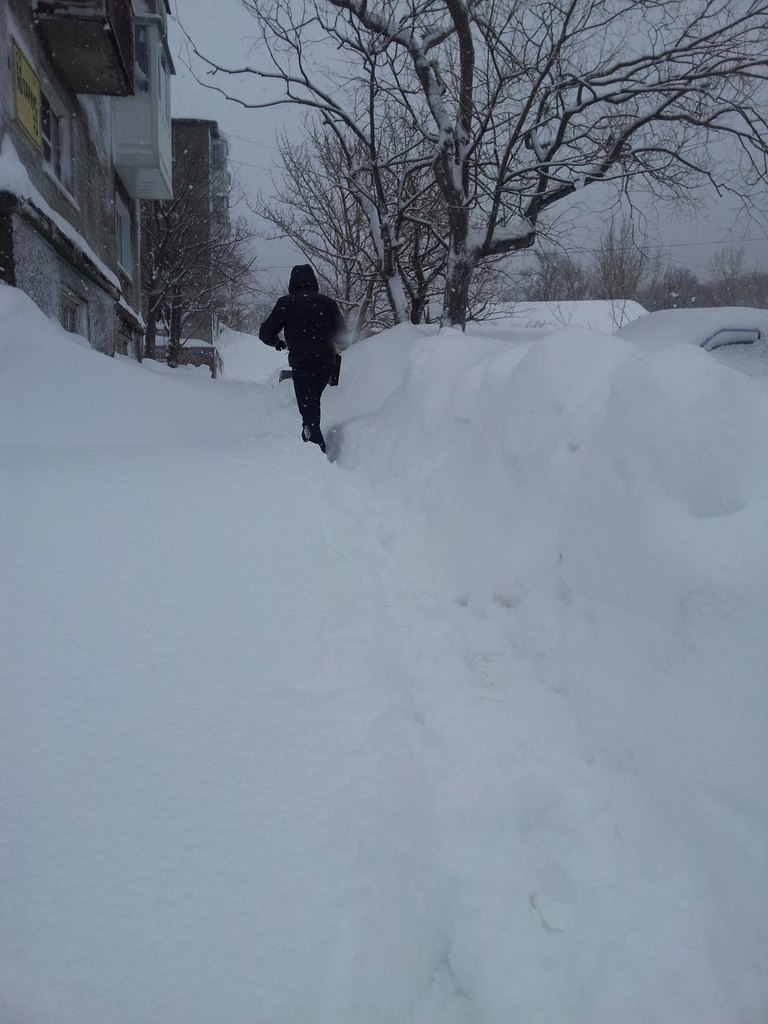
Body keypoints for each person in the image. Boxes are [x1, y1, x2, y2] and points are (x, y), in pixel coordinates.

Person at [259, 265, 347, 454]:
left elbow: (265, 333)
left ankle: (315, 454)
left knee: (309, 411)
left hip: (303, 363)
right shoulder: (328, 303)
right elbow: (343, 339)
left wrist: (277, 342)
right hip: (326, 363)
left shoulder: (286, 303)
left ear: (292, 283)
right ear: (314, 281)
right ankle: (310, 447)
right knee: (312, 406)